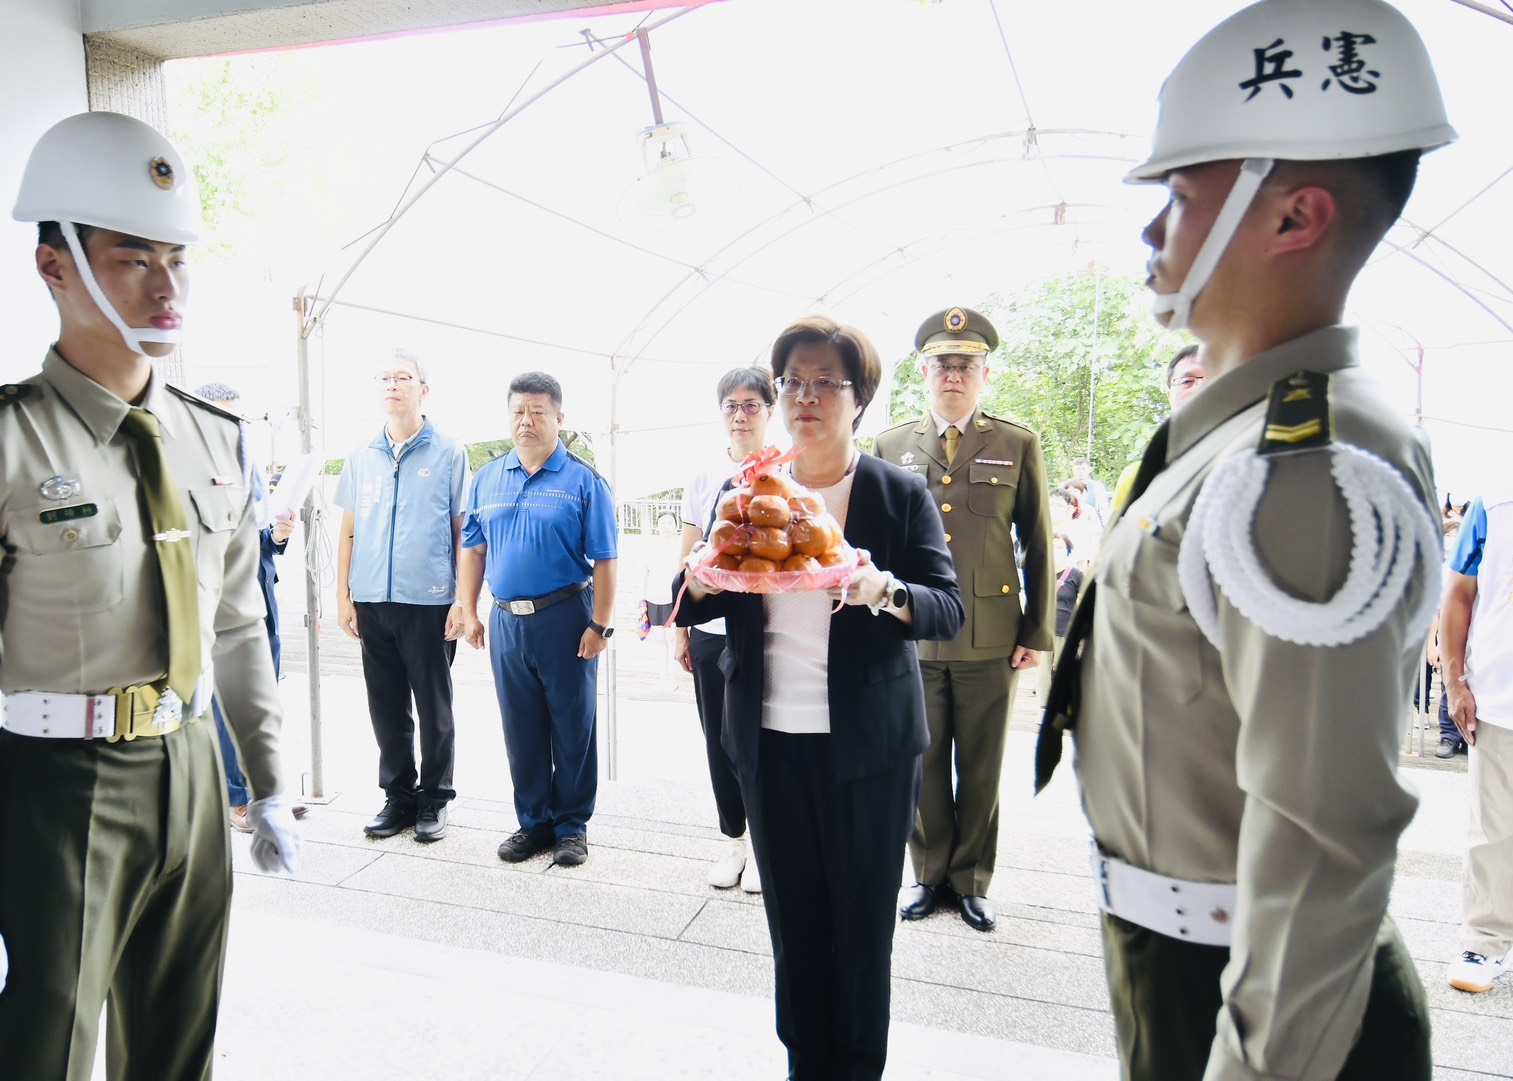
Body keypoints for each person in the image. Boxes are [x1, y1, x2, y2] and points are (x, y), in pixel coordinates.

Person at [1035, 2, 1453, 1077]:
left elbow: (1321, 842)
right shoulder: (1238, 430)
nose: (1151, 231)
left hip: (1257, 992)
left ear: (1293, 217)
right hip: (1185, 958)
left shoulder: (1305, 467)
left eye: (1179, 197)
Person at [0, 111, 299, 1079]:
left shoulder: (214, 435)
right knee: (43, 1046)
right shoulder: (12, 442)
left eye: (176, 259)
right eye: (133, 259)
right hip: (57, 779)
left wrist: (267, 779)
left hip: (191, 764)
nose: (167, 288)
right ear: (55, 267)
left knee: (178, 1044)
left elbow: (238, 622)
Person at [676, 315, 963, 1081]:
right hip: (769, 743)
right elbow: (696, 595)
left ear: (858, 396)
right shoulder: (748, 490)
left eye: (824, 381)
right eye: (792, 381)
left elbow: (946, 606)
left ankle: (858, 1068)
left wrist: (882, 588)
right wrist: (698, 578)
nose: (804, 396)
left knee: (861, 931)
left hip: (868, 751)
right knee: (795, 930)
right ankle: (805, 1064)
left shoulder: (896, 493)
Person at [875, 306, 1053, 933]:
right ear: (924, 372)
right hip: (916, 633)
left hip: (992, 635)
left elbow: (1037, 542)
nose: (953, 375)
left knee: (981, 765)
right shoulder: (891, 446)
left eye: (966, 365)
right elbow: (877, 545)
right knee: (920, 760)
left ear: (984, 375)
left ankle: (972, 881)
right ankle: (928, 875)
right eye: (942, 364)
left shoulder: (1016, 443)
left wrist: (1036, 631)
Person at [449, 371, 618, 869]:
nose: (527, 420)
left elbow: (605, 559)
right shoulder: (487, 478)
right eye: (518, 411)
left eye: (538, 411)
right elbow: (473, 549)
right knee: (520, 727)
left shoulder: (584, 481)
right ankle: (533, 822)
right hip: (506, 621)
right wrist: (469, 609)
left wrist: (600, 626)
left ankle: (571, 826)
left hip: (566, 617)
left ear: (559, 418)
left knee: (572, 725)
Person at [334, 349, 470, 843]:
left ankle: (434, 799)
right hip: (372, 599)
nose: (393, 384)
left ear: (423, 390)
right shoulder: (360, 455)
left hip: (429, 601)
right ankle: (398, 797)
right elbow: (348, 529)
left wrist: (462, 599)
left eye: (404, 377)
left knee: (433, 706)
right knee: (386, 706)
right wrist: (343, 595)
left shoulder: (450, 453)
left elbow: (463, 532)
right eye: (385, 377)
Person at [673, 365, 776, 893]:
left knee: (762, 740)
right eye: (731, 406)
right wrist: (679, 628)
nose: (740, 415)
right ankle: (733, 841)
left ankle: (766, 845)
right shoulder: (703, 476)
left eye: (751, 405)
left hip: (768, 631)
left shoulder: (787, 471)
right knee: (718, 739)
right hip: (712, 630)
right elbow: (688, 554)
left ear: (770, 411)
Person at [194, 381, 308, 831]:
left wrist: (278, 533)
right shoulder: (183, 471)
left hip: (260, 597)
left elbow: (262, 541)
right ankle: (235, 799)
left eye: (238, 418)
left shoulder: (252, 468)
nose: (233, 427)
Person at [1441, 493, 1513, 992]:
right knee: (1493, 829)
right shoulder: (1496, 500)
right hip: (1501, 697)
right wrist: (1454, 681)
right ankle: (1485, 941)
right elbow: (1459, 593)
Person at [1112, 344, 1207, 515]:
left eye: (1210, 379)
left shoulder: (1248, 464)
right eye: (1187, 381)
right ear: (1170, 396)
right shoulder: (1136, 478)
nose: (1199, 387)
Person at [1035, 486, 1085, 704]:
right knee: (1044, 667)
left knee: (1063, 665)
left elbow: (1084, 597)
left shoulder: (1075, 571)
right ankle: (1044, 704)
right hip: (1044, 624)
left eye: (1059, 504)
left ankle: (1063, 703)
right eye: (1052, 503)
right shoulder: (1039, 526)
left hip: (1065, 624)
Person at [641, 512, 681, 691]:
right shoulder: (650, 547)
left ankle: (673, 679)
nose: (666, 526)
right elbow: (644, 573)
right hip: (653, 598)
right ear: (657, 525)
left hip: (673, 600)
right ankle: (662, 678)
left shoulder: (680, 547)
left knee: (672, 639)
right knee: (659, 640)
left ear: (676, 525)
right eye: (663, 522)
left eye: (670, 522)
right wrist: (641, 600)